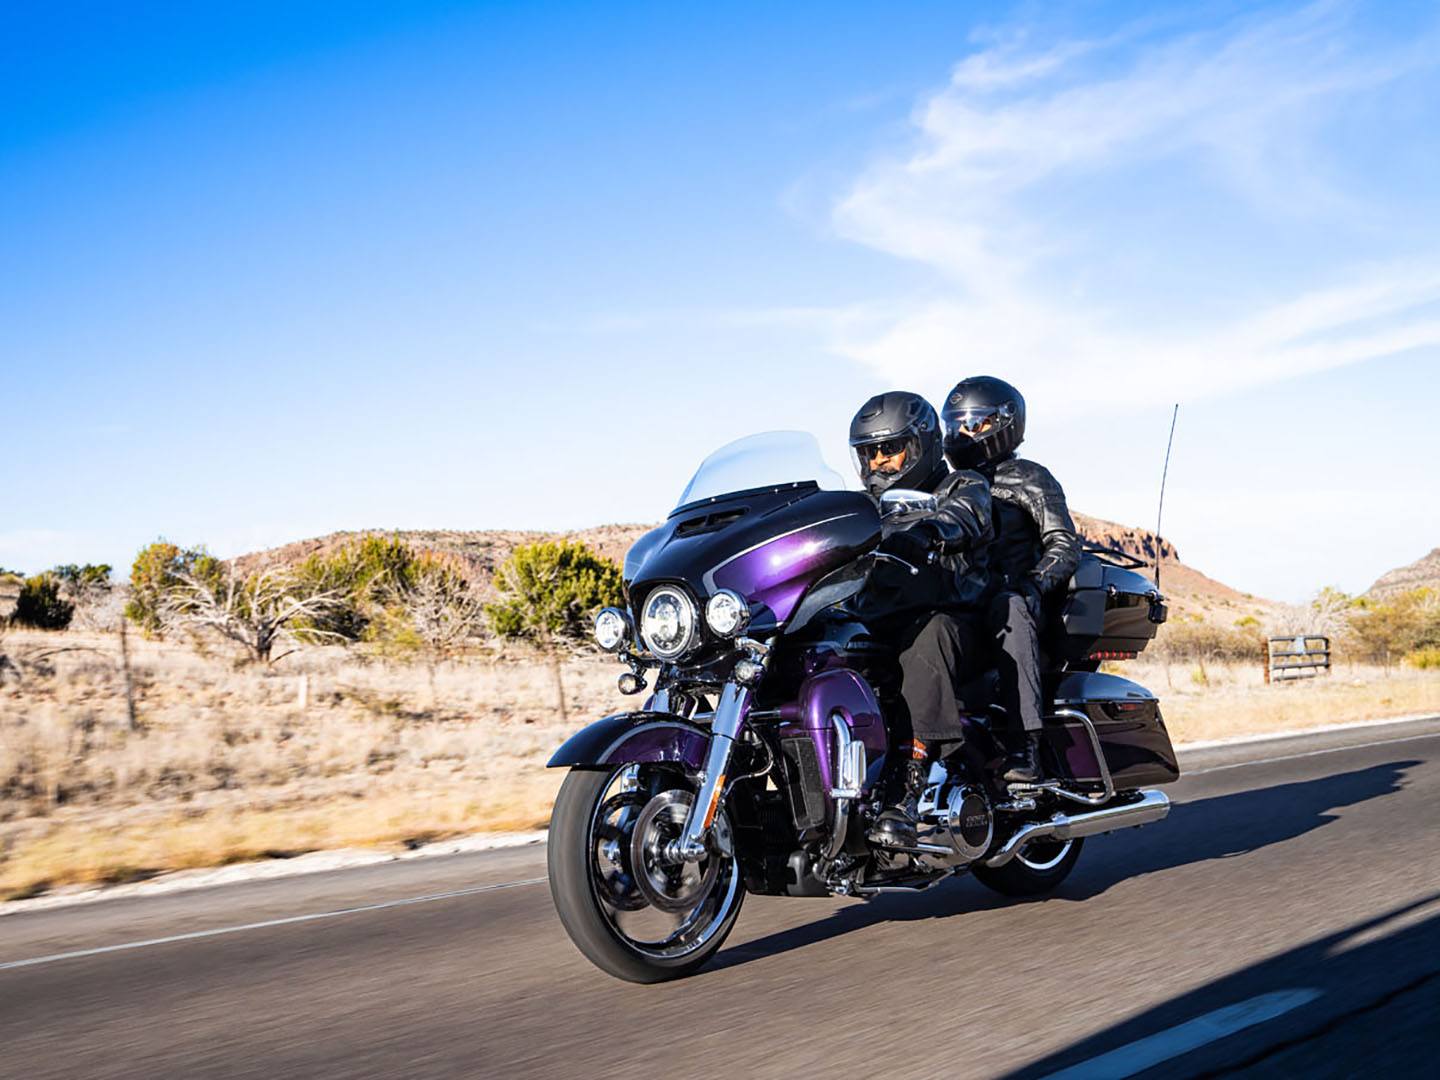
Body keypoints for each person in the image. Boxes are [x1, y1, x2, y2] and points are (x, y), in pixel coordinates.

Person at [847, 391, 992, 846]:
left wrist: (930, 531)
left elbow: (966, 518)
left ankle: (908, 790)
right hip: (881, 621)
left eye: (890, 449)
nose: (879, 462)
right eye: (869, 453)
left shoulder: (962, 486)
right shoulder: (862, 510)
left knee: (927, 639)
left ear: (923, 444)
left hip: (958, 619)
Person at [941, 376, 1081, 784]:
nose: (964, 434)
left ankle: (1027, 749)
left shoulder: (1029, 477)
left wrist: (1034, 585)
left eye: (977, 424)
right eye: (957, 424)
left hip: (1016, 603)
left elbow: (1063, 544)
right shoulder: (947, 487)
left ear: (1006, 423)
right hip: (964, 603)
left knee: (1009, 604)